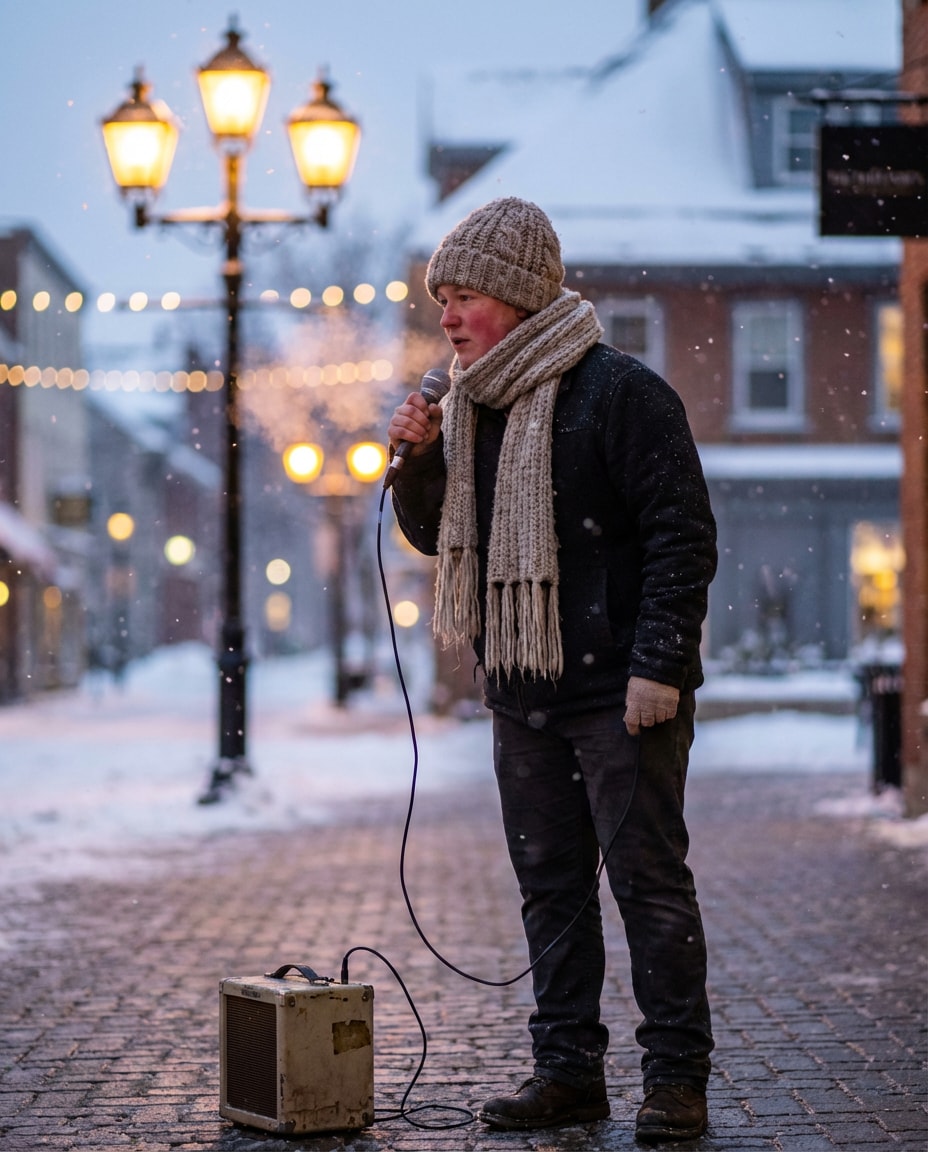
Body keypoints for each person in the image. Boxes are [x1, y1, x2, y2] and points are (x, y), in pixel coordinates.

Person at [387, 197, 716, 1143]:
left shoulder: (622, 393)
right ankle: (568, 1074)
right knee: (550, 889)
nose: (446, 315)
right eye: (441, 297)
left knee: (648, 884)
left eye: (464, 295)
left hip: (623, 695)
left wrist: (659, 665)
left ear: (520, 295)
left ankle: (675, 1080)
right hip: (522, 696)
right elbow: (434, 539)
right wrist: (416, 460)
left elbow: (681, 540)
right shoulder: (465, 409)